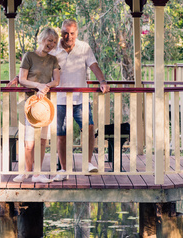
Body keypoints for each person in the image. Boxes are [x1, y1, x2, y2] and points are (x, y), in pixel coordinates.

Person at [9, 19, 110, 181]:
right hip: (58, 99)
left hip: (81, 98)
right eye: (65, 33)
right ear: (61, 31)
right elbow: (37, 64)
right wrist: (19, 77)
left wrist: (102, 81)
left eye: (72, 33)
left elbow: (94, 65)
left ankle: (88, 163)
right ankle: (62, 169)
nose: (68, 36)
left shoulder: (84, 48)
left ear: (77, 33)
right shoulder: (53, 49)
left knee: (89, 128)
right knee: (60, 135)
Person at [13, 27, 60, 183]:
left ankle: (37, 174)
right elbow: (22, 79)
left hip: (45, 104)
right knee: (29, 141)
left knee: (41, 140)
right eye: (49, 41)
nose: (51, 44)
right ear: (42, 39)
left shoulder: (53, 60)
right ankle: (26, 171)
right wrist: (38, 86)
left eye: (54, 42)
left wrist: (46, 86)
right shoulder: (29, 56)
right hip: (31, 102)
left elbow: (56, 80)